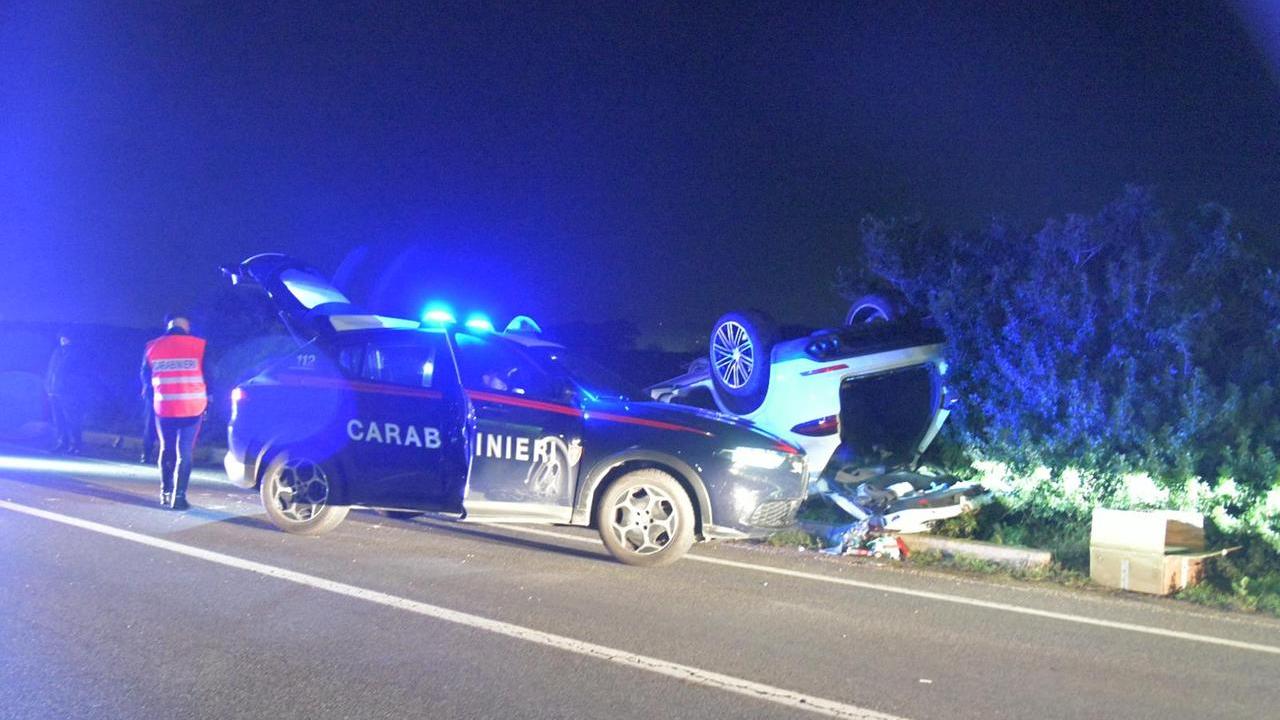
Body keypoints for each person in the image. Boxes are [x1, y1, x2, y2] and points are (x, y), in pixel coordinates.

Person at [141, 314, 209, 510]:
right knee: (185, 451)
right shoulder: (200, 345)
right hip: (192, 407)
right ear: (186, 326)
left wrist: (152, 399)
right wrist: (209, 400)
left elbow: (145, 378)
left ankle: (165, 491)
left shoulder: (152, 346)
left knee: (166, 448)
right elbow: (210, 375)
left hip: (164, 407)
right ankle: (179, 497)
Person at [45, 331, 84, 454]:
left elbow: (77, 374)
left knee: (71, 419)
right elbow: (50, 370)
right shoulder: (57, 352)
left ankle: (75, 444)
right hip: (54, 391)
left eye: (65, 337)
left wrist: (71, 389)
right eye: (61, 337)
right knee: (58, 419)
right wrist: (48, 387)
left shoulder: (75, 353)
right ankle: (62, 442)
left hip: (68, 392)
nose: (63, 339)